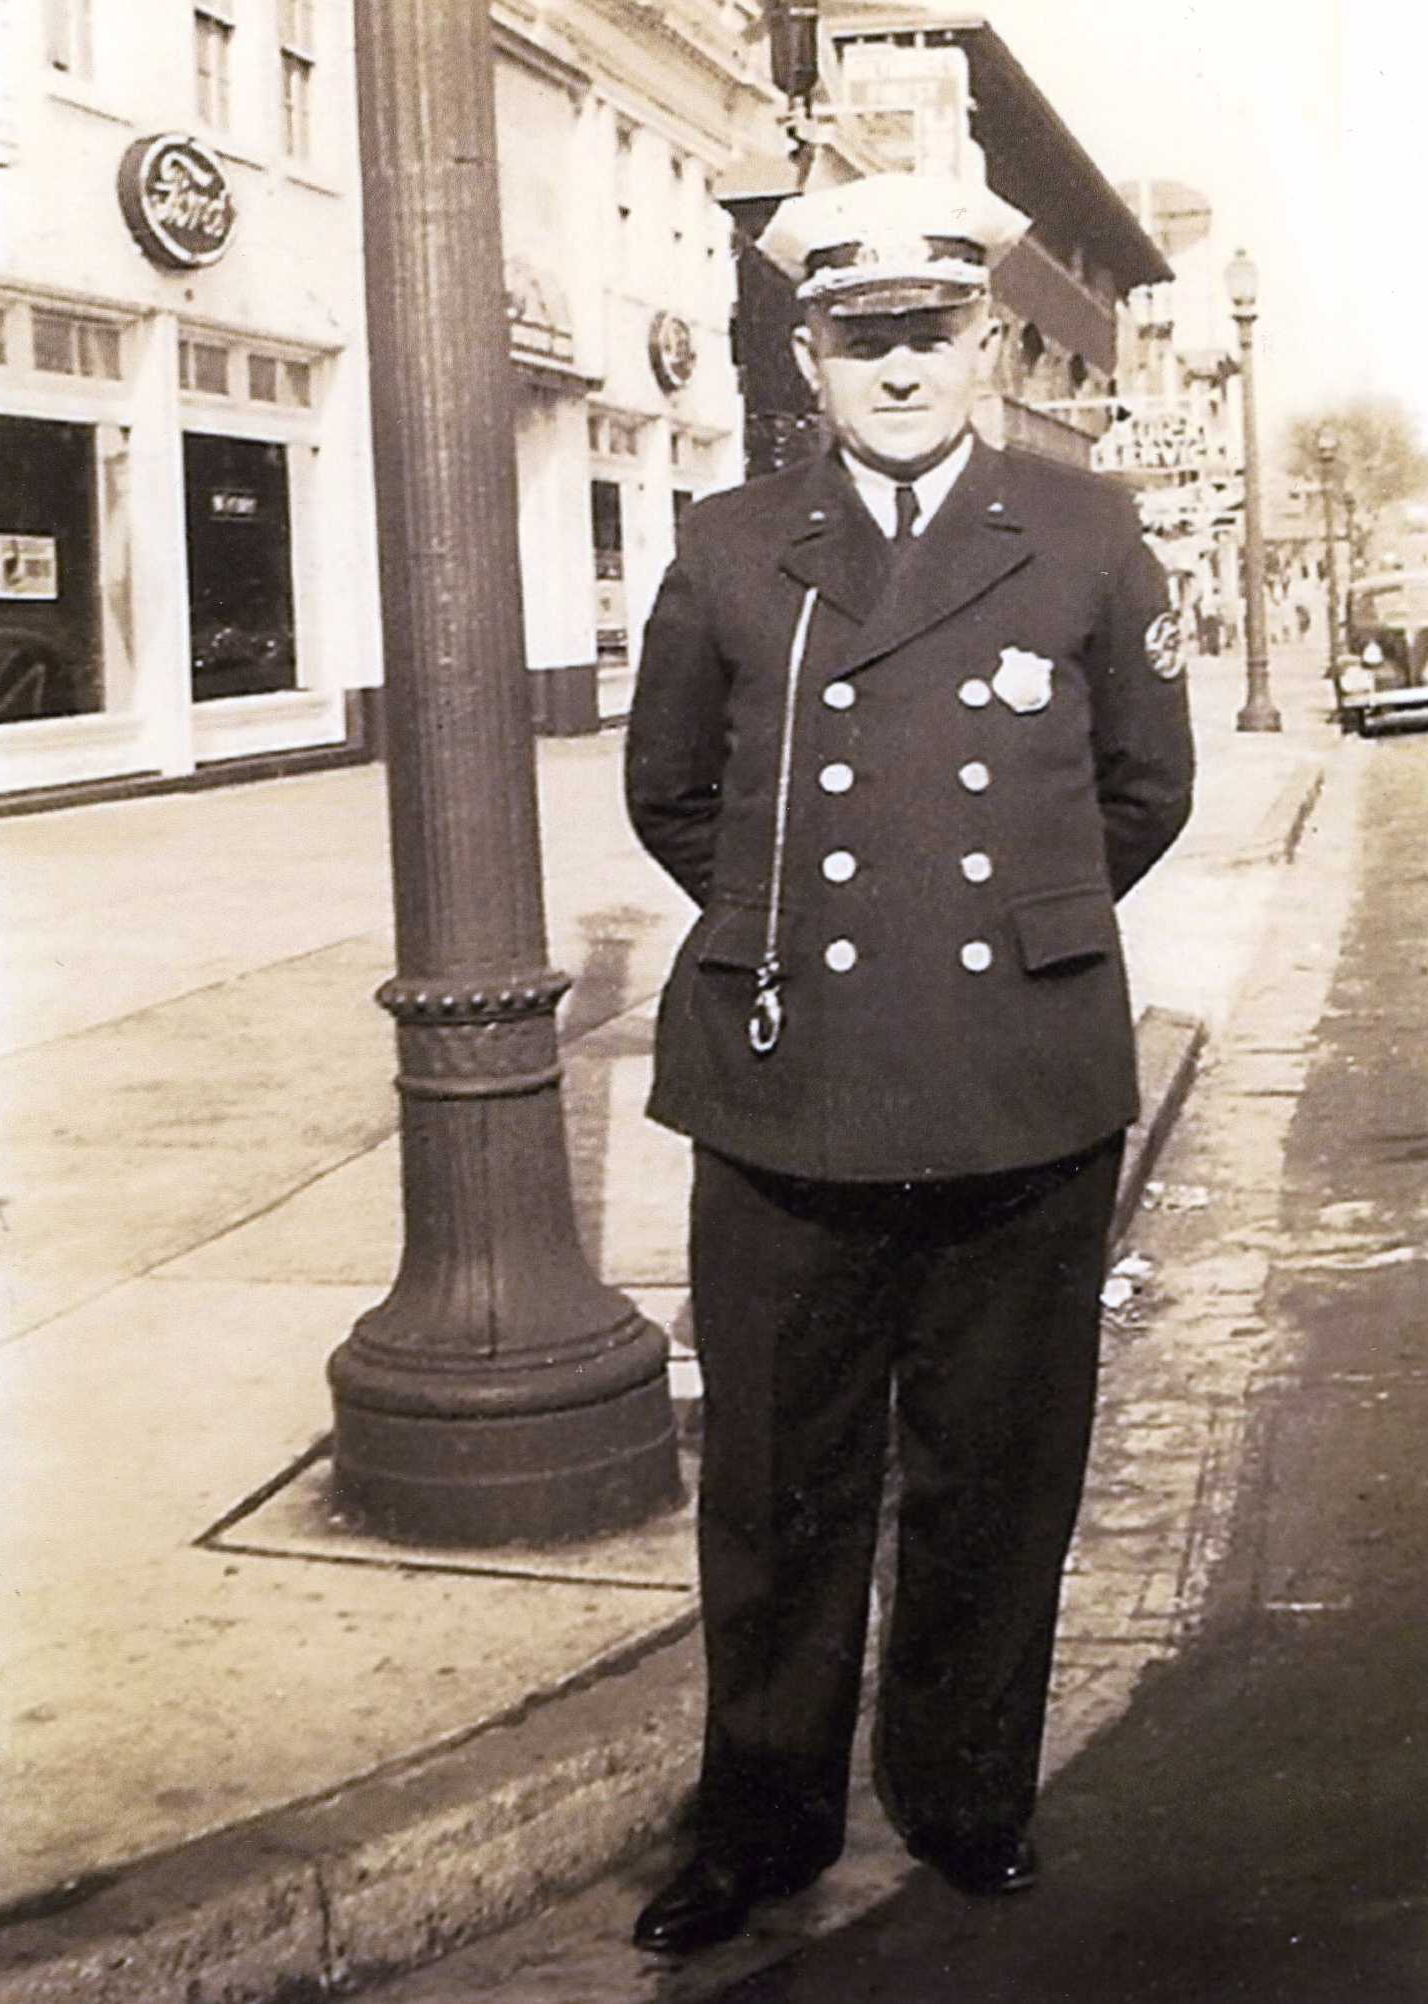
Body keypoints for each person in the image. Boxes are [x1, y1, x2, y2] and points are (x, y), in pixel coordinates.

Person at [624, 164, 1195, 1957]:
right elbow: (673, 792)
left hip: (1016, 1075)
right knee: (782, 1486)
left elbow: (1141, 790)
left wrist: (1018, 932)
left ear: (986, 342)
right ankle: (763, 1825)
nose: (897, 370)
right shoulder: (730, 542)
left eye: (930, 335)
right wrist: (789, 921)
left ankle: (963, 1797)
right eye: (860, 338)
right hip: (787, 1078)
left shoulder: (1085, 527)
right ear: (809, 351)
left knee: (995, 1466)